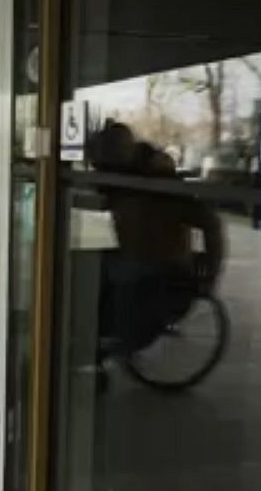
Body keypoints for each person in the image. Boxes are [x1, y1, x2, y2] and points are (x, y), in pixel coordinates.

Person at [87, 121, 226, 354]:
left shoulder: (154, 181)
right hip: (145, 259)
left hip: (153, 266)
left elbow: (209, 223)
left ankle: (106, 343)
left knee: (106, 279)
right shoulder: (122, 176)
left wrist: (209, 272)